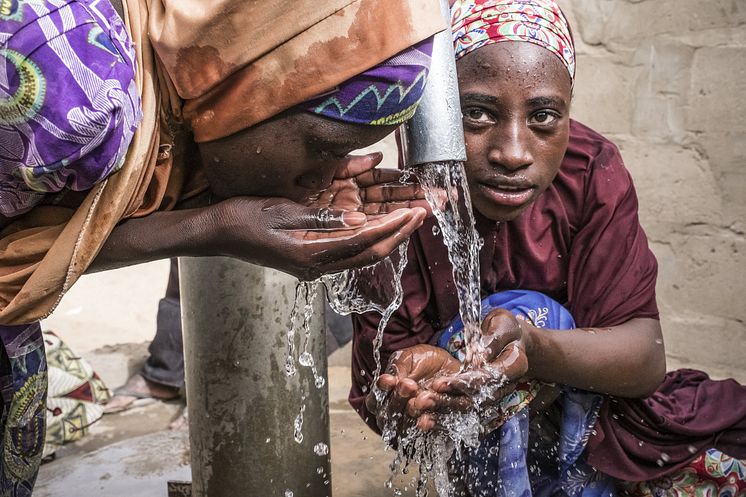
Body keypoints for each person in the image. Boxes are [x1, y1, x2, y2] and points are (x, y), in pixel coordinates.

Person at [0, 0, 445, 493]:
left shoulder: (165, 77)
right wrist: (212, 228)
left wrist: (215, 212)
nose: (323, 177)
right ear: (248, 88)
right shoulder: (66, 95)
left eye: (343, 154)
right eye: (322, 148)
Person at [351, 0, 746, 495]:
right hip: (486, 452)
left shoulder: (589, 171)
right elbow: (383, 403)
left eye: (542, 116)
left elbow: (644, 360)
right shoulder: (401, 206)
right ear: (440, 111)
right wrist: (419, 393)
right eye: (476, 113)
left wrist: (529, 345)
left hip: (607, 423)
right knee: (520, 309)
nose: (512, 152)